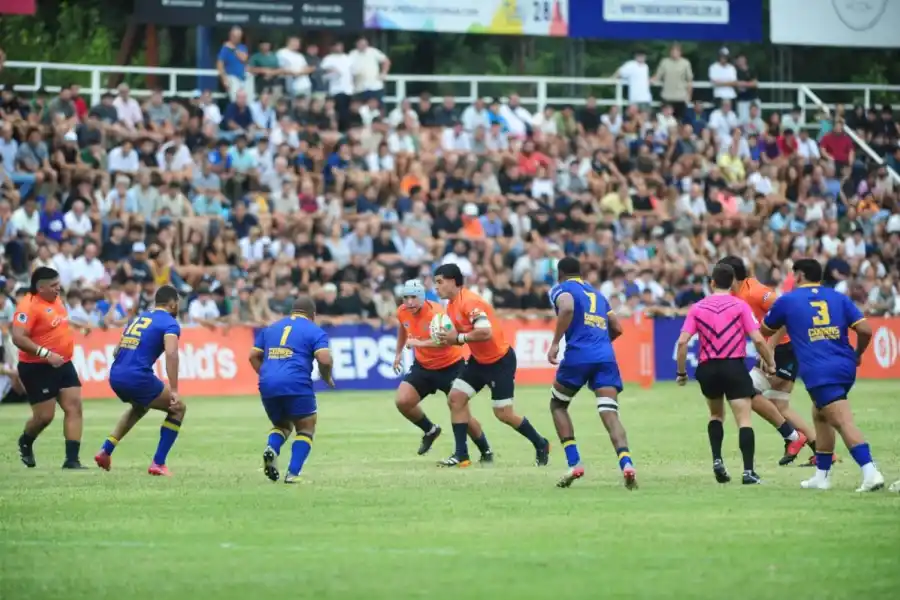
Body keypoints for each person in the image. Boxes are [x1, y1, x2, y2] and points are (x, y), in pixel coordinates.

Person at [760, 259, 884, 493]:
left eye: (793, 274)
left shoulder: (788, 300)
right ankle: (821, 476)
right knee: (820, 414)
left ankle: (870, 471)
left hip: (819, 369)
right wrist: (858, 354)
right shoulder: (838, 297)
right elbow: (866, 329)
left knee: (841, 420)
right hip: (845, 365)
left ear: (799, 276)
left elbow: (764, 331)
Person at [432, 263, 550, 468]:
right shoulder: (451, 305)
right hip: (479, 362)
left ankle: (541, 443)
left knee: (503, 414)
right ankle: (462, 454)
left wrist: (457, 338)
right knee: (456, 398)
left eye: (439, 282)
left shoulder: (470, 302)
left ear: (452, 281)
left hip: (499, 362)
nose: (436, 287)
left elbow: (485, 331)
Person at [675, 263, 776, 485]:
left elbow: (682, 342)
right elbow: (758, 339)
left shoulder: (698, 307)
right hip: (733, 367)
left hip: (708, 368)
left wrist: (681, 372)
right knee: (744, 419)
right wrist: (770, 362)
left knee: (716, 416)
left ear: (711, 282)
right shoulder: (740, 306)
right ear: (732, 282)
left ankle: (717, 460)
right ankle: (748, 472)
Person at [546, 257, 637, 490]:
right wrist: (601, 345)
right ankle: (626, 463)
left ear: (560, 274)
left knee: (558, 404)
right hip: (605, 358)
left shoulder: (561, 289)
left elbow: (566, 307)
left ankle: (574, 462)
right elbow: (617, 327)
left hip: (578, 356)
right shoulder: (598, 294)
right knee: (609, 413)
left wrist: (556, 342)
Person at [718, 256, 818, 465]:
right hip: (778, 349)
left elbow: (786, 311)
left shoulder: (755, 292)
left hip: (783, 349)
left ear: (732, 276)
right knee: (780, 406)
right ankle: (821, 451)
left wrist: (770, 346)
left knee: (744, 390)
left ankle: (792, 436)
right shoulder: (737, 294)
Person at [392, 279, 493, 461]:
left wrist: (419, 343)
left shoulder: (437, 313)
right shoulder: (402, 312)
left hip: (451, 366)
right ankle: (430, 430)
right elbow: (403, 328)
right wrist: (398, 353)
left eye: (413, 297)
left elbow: (446, 339)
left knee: (462, 414)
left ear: (422, 297)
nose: (409, 302)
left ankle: (486, 451)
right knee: (403, 401)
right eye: (406, 297)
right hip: (424, 366)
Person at [94, 285, 185, 476]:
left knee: (140, 407)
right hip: (137, 377)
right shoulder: (170, 323)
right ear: (172, 303)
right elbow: (171, 353)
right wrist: (174, 389)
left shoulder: (139, 318)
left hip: (116, 375)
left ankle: (106, 450)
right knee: (178, 408)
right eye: (177, 303)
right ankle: (158, 463)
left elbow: (116, 351)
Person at [250, 296, 334, 484]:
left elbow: (253, 355)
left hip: (267, 384)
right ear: (313, 315)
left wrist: (265, 374)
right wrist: (327, 377)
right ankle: (293, 474)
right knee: (306, 427)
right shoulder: (314, 330)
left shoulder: (271, 328)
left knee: (283, 425)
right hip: (296, 383)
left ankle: (272, 448)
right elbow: (325, 359)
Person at [13, 267, 85, 469]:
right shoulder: (27, 306)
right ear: (40, 287)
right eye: (53, 285)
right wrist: (46, 354)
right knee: (45, 416)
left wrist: (78, 327)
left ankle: (72, 461)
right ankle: (26, 441)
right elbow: (18, 337)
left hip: (63, 363)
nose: (58, 288)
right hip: (36, 367)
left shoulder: (56, 299)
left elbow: (56, 323)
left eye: (58, 283)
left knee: (74, 406)